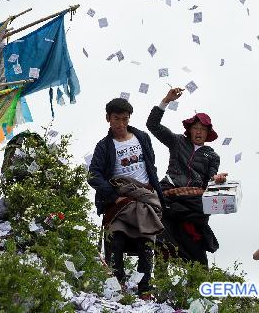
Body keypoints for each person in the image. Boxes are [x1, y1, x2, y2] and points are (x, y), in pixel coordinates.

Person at [88, 97, 165, 297]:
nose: (121, 124)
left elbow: (151, 166)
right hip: (119, 202)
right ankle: (116, 286)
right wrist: (113, 195)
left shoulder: (142, 138)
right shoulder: (104, 146)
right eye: (116, 119)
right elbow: (93, 175)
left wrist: (151, 191)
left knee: (146, 242)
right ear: (108, 118)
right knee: (115, 241)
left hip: (145, 198)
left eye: (125, 119)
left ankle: (145, 288)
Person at [147, 87, 227, 266]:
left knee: (196, 243)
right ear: (190, 130)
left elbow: (211, 178)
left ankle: (196, 283)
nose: (199, 132)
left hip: (194, 202)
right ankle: (159, 284)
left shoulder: (212, 155)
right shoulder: (177, 142)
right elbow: (152, 125)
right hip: (169, 194)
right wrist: (165, 100)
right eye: (196, 128)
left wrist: (218, 179)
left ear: (208, 134)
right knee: (162, 239)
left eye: (203, 129)